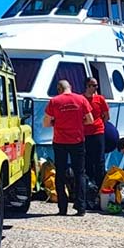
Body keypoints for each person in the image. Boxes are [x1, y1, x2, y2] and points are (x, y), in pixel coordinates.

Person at [43, 80, 93, 216]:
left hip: (60, 141)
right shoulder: (81, 99)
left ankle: (62, 208)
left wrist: (56, 122)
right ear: (70, 87)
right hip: (77, 141)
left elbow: (46, 123)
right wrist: (78, 122)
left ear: (59, 89)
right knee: (80, 173)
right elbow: (90, 120)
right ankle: (81, 207)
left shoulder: (54, 101)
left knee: (60, 173)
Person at [83, 77, 110, 206]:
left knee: (99, 160)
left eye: (96, 86)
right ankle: (89, 190)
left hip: (98, 132)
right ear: (87, 86)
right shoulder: (81, 99)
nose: (95, 88)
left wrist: (99, 125)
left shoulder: (100, 99)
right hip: (85, 134)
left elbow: (106, 116)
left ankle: (101, 188)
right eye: (93, 86)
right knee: (87, 161)